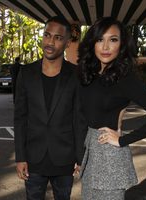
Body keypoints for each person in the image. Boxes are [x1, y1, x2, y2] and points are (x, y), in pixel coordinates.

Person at [77, 17, 146, 200]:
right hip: (89, 155)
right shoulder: (88, 74)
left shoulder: (125, 78)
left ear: (121, 45)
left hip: (110, 159)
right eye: (100, 39)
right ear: (92, 43)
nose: (105, 47)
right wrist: (79, 156)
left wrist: (123, 140)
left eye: (113, 40)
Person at [14, 16, 87, 200]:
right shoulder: (26, 73)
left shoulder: (76, 75)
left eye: (58, 37)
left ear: (67, 42)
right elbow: (20, 118)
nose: (50, 42)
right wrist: (20, 157)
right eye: (47, 35)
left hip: (64, 158)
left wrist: (80, 157)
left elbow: (79, 119)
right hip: (33, 159)